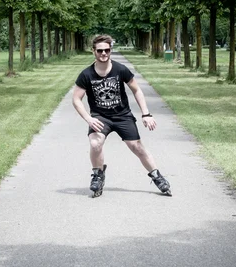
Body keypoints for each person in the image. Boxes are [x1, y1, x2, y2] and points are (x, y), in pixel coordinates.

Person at [72, 34, 171, 197]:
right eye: (100, 50)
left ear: (110, 50)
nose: (103, 53)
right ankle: (97, 175)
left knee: (137, 147)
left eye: (107, 50)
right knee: (96, 143)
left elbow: (136, 90)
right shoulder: (86, 74)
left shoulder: (120, 69)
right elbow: (76, 99)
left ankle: (156, 176)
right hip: (100, 116)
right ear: (93, 52)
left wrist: (146, 113)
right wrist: (88, 119)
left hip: (122, 115)